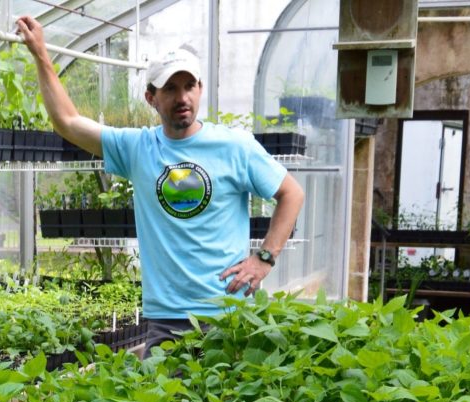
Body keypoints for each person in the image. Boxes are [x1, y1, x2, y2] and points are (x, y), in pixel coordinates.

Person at [16, 16, 305, 354]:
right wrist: (41, 55)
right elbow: (67, 122)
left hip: (227, 313)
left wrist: (265, 258)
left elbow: (291, 193)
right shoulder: (138, 148)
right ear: (151, 98)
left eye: (189, 86)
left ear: (199, 90)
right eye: (170, 88)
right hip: (167, 318)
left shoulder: (235, 146)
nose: (182, 97)